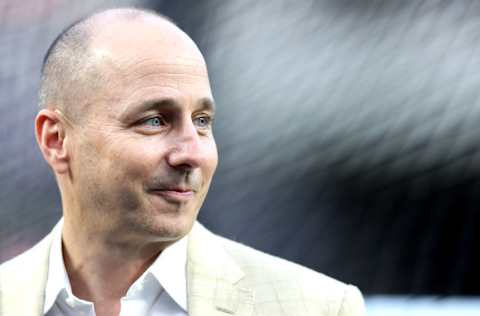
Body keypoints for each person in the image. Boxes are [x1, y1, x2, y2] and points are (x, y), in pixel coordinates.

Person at [0, 8, 365, 316]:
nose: (193, 153)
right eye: (154, 121)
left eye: (202, 121)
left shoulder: (320, 308)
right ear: (56, 139)